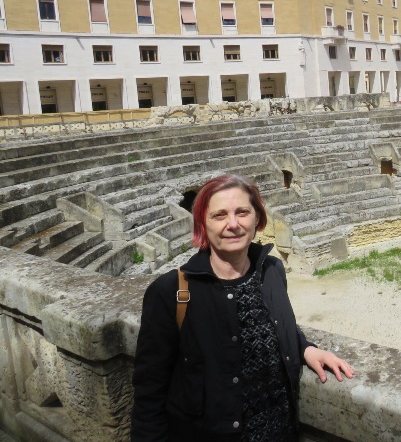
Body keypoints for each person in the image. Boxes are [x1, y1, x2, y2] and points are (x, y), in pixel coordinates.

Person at [131, 174, 354, 442]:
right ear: (203, 224)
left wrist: (306, 348)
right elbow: (149, 395)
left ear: (257, 218)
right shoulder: (169, 292)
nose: (233, 224)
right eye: (219, 215)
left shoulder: (272, 271)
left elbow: (276, 325)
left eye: (242, 212)